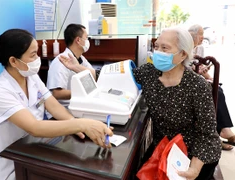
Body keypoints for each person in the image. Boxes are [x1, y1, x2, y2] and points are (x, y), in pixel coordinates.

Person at [59, 26, 222, 180]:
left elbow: (207, 136)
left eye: (165, 48)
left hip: (193, 155)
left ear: (183, 55)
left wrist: (193, 168)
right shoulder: (149, 73)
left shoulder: (197, 86)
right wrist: (76, 67)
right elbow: (105, 75)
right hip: (163, 147)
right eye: (156, 46)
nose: (157, 52)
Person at [0, 29, 113, 180]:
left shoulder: (31, 77)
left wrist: (79, 126)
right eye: (33, 55)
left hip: (33, 150)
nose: (38, 58)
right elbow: (34, 127)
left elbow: (53, 105)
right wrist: (82, 124)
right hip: (10, 164)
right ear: (14, 61)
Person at [189, 24, 235, 150]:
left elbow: (199, 67)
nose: (202, 37)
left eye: (203, 35)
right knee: (216, 93)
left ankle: (220, 134)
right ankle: (221, 133)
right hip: (190, 82)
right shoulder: (184, 48)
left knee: (218, 90)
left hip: (197, 79)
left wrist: (207, 76)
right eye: (200, 35)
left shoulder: (200, 48)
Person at [46, 24, 94, 113]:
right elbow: (57, 93)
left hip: (78, 105)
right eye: (87, 38)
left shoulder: (81, 59)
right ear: (78, 40)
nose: (88, 41)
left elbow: (92, 76)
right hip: (63, 109)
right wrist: (82, 93)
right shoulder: (60, 62)